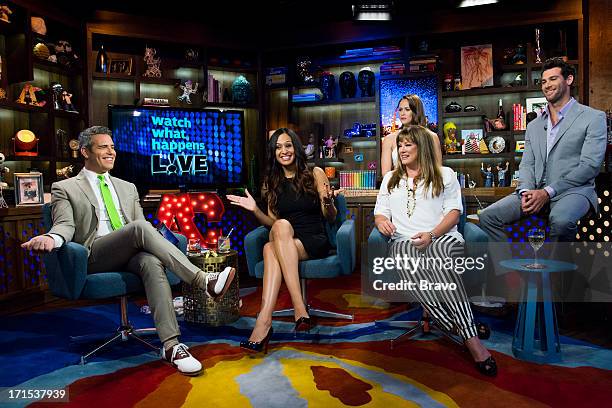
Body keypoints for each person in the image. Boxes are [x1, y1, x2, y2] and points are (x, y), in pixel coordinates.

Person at [20, 126, 236, 376]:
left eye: (112, 147)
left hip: (130, 253)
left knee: (150, 262)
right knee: (140, 228)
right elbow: (65, 225)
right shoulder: (65, 187)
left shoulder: (127, 187)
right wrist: (52, 238)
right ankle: (203, 280)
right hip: (95, 255)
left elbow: (140, 234)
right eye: (103, 147)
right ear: (85, 152)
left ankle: (172, 346)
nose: (111, 152)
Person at [374, 125, 497, 376]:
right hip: (403, 242)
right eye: (400, 145)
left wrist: (431, 235)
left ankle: (471, 341)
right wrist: (381, 223)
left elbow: (454, 213)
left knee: (438, 255)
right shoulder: (390, 179)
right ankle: (466, 328)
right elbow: (380, 212)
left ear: (422, 147)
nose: (402, 149)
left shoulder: (446, 175)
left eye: (408, 144)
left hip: (442, 238)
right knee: (404, 257)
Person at [479, 58, 607, 256]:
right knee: (488, 216)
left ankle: (557, 281)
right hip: (535, 190)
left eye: (553, 79)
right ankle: (510, 276)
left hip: (574, 191)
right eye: (543, 81)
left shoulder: (593, 118)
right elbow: (527, 164)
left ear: (569, 79)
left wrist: (547, 192)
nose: (546, 85)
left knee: (562, 221)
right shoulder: (534, 125)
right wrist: (525, 192)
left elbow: (590, 166)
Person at [227, 128, 337, 353]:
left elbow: (331, 217)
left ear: (295, 148)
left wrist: (327, 201)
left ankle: (284, 313)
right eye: (278, 147)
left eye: (287, 145)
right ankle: (269, 320)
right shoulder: (271, 181)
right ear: (273, 153)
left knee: (271, 247)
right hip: (285, 238)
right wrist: (255, 209)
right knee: (276, 235)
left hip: (312, 238)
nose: (283, 151)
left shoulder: (314, 173)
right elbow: (272, 223)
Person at [381, 94, 442, 175]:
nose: (402, 113)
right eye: (400, 110)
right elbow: (386, 175)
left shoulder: (432, 137)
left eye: (407, 109)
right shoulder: (389, 139)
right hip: (400, 185)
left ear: (416, 111)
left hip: (426, 184)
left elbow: (438, 170)